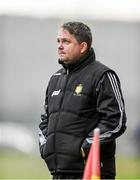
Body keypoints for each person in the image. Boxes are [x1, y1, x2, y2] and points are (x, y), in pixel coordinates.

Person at [39, 21, 127, 179]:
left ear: (83, 47)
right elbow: (46, 119)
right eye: (58, 41)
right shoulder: (55, 79)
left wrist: (85, 147)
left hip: (91, 172)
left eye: (66, 41)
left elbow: (116, 121)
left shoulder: (102, 75)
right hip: (59, 173)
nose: (60, 46)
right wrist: (45, 147)